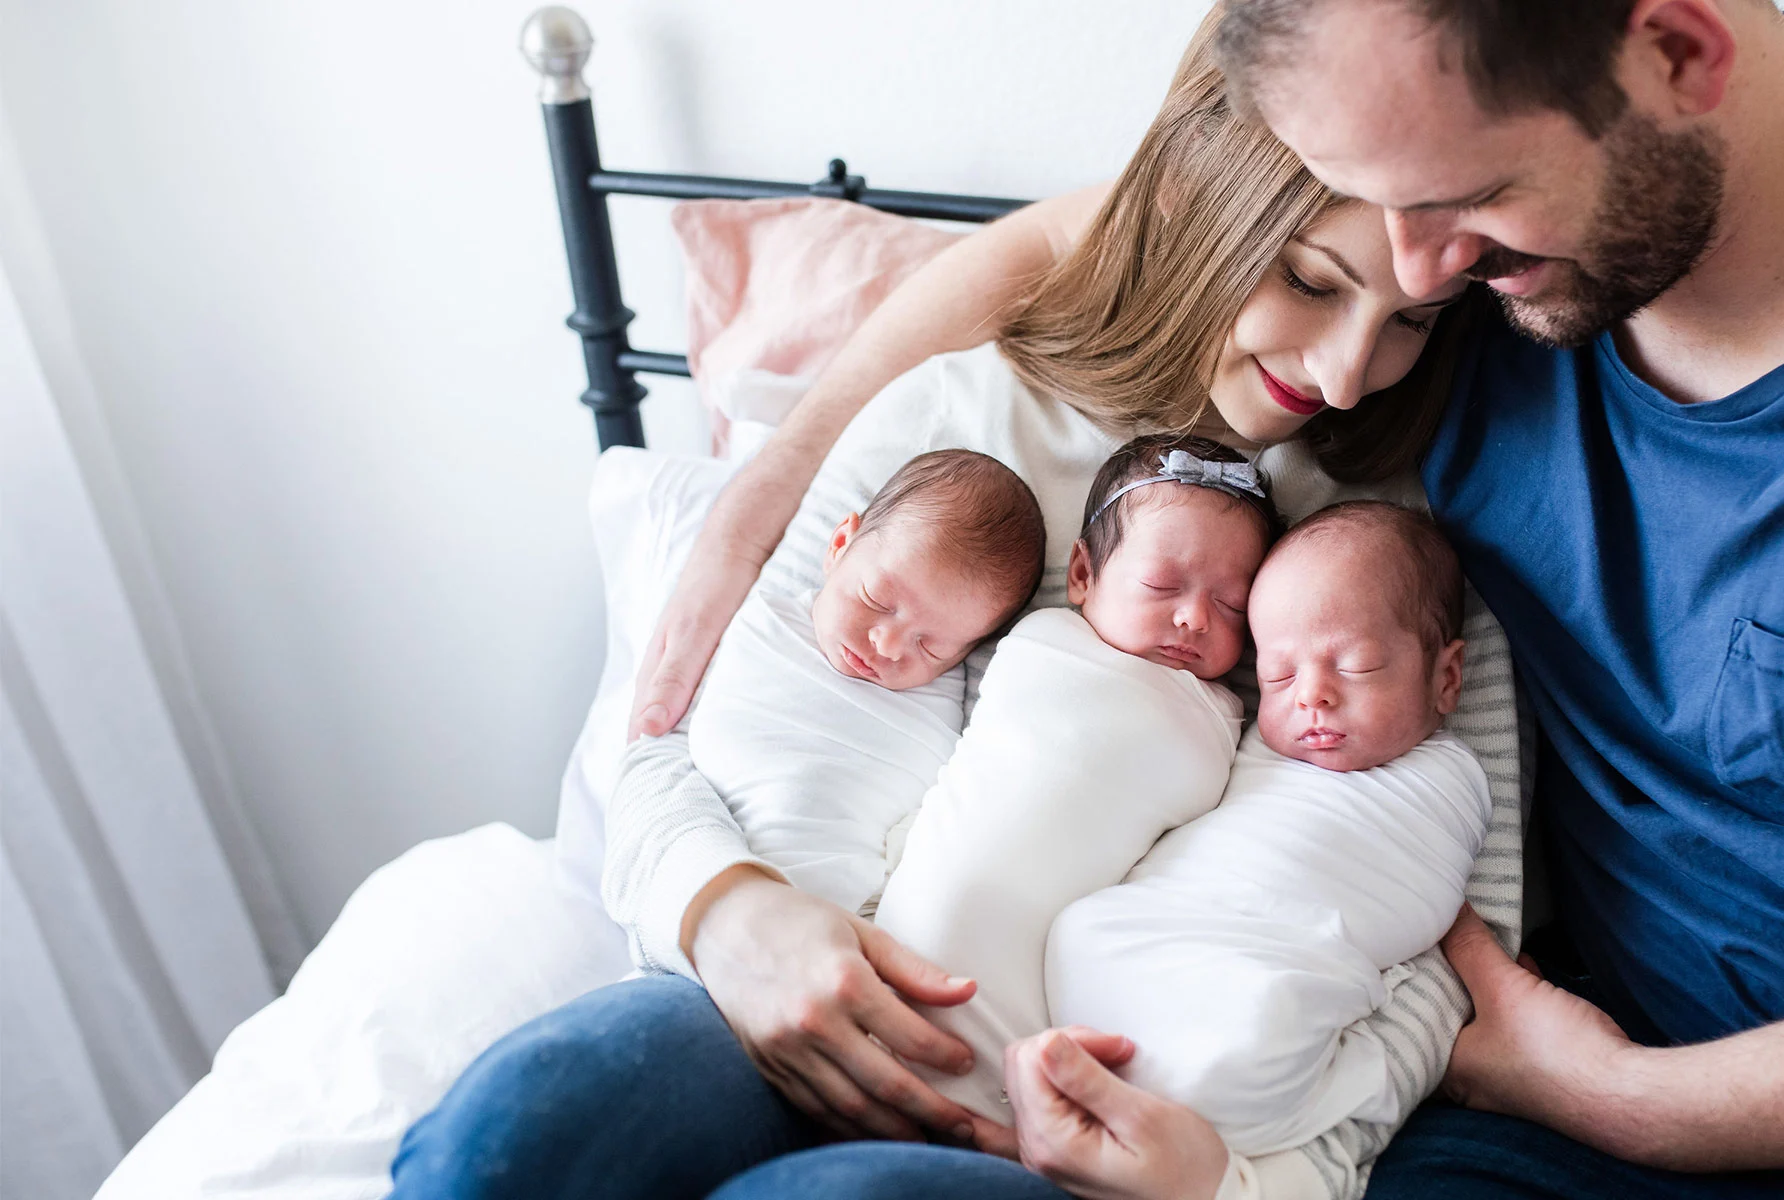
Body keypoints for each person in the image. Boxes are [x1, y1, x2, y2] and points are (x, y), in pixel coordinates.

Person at [391, 10, 1532, 1199]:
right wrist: (729, 918)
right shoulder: (947, 424)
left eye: (1408, 321)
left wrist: (1256, 1183)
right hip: (762, 992)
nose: (1346, 372)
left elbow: (1460, 955)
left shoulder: (1390, 552)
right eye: (1308, 279)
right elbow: (667, 740)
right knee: (509, 1142)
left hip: (1085, 1119)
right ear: (1201, 203)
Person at [1199, 0, 1784, 1196]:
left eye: (1467, 194)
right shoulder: (1467, 249)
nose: (1415, 271)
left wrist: (1633, 1105)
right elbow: (1110, 243)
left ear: (1679, 52)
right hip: (1533, 1095)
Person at [1047, 501, 1491, 1156]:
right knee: (1078, 930)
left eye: (1355, 665)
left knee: (1265, 1021)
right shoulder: (1254, 746)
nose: (1310, 694)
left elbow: (1450, 909)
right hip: (1173, 920)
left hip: (1279, 963)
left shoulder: (1456, 777)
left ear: (1446, 677)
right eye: (1278, 674)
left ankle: (1234, 1116)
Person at [875, 434, 1278, 1119]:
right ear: (1084, 575)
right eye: (1161, 585)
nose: (1194, 617)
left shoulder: (1219, 722)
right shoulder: (1036, 641)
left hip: (1039, 994)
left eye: (1233, 605)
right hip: (904, 935)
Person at [684, 448, 1045, 920]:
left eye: (931, 646)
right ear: (839, 545)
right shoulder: (764, 627)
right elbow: (673, 744)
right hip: (706, 884)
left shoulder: (947, 704)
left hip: (847, 917)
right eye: (876, 598)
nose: (888, 644)